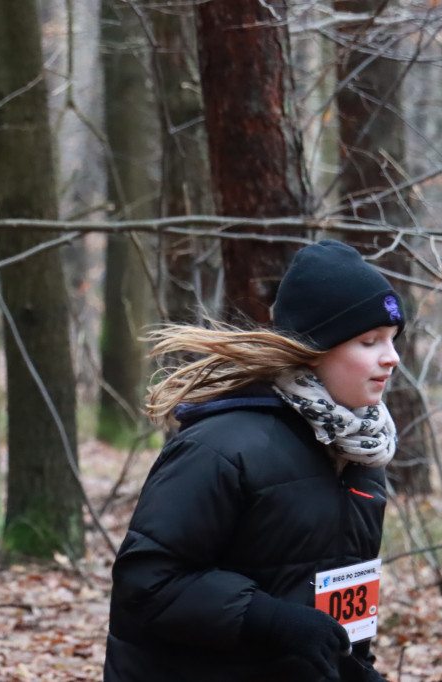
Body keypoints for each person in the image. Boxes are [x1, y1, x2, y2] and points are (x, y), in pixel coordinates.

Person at [104, 239, 403, 682]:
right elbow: (148, 581)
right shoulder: (222, 445)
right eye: (369, 341)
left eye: (393, 341)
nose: (391, 358)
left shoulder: (361, 454)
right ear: (315, 349)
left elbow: (340, 617)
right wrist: (271, 620)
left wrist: (356, 670)